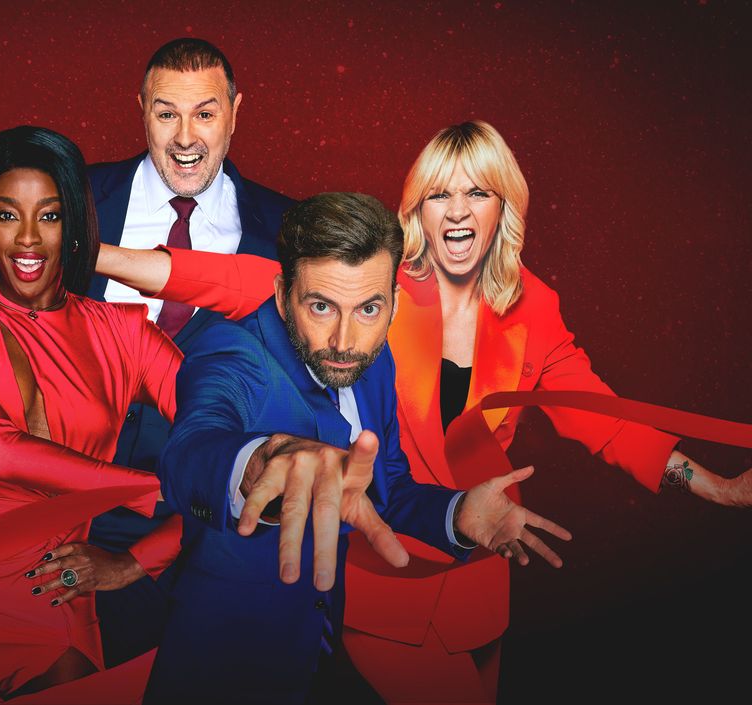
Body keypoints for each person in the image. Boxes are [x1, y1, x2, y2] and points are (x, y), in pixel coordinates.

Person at [97, 120, 752, 703]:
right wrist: (90, 257)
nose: (459, 211)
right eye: (441, 193)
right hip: (371, 581)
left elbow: (596, 412)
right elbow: (222, 299)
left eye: (478, 192)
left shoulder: (528, 309)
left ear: (506, 206)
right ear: (418, 208)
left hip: (471, 566)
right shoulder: (365, 291)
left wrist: (711, 484)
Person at [142, 191, 571, 705]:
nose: (345, 339)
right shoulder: (232, 353)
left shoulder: (374, 361)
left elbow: (388, 488)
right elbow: (193, 447)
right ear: (282, 296)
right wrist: (262, 462)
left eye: (370, 308)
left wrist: (456, 513)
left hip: (318, 656)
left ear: (392, 300)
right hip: (220, 665)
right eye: (321, 306)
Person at [0, 126, 185, 705]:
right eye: (7, 215)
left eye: (49, 216)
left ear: (74, 226)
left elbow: (223, 448)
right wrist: (168, 490)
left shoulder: (126, 332)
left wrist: (134, 562)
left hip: (57, 594)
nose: (27, 238)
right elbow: (4, 453)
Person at [84, 37, 294, 667]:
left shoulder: (287, 230)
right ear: (140, 107)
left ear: (235, 109)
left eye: (204, 112)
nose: (185, 136)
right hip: (83, 517)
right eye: (166, 112)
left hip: (228, 527)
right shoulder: (74, 204)